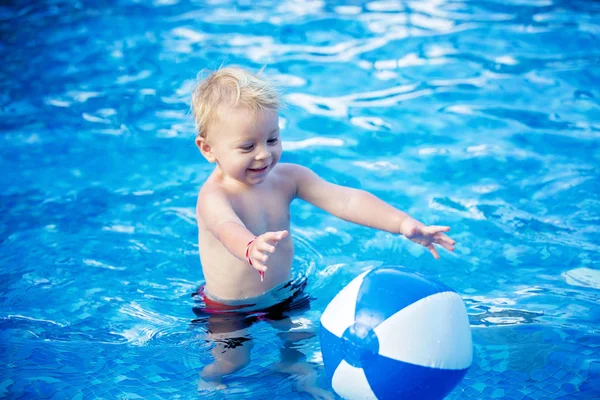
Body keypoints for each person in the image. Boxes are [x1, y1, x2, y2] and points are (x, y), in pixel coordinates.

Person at [190, 66, 455, 395]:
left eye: (272, 139)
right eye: (247, 147)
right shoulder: (214, 196)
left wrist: (402, 223)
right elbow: (225, 225)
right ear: (207, 149)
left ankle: (290, 363)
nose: (263, 154)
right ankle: (210, 382)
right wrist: (248, 247)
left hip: (282, 293)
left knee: (298, 338)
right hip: (229, 306)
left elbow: (344, 200)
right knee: (233, 362)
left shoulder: (288, 178)